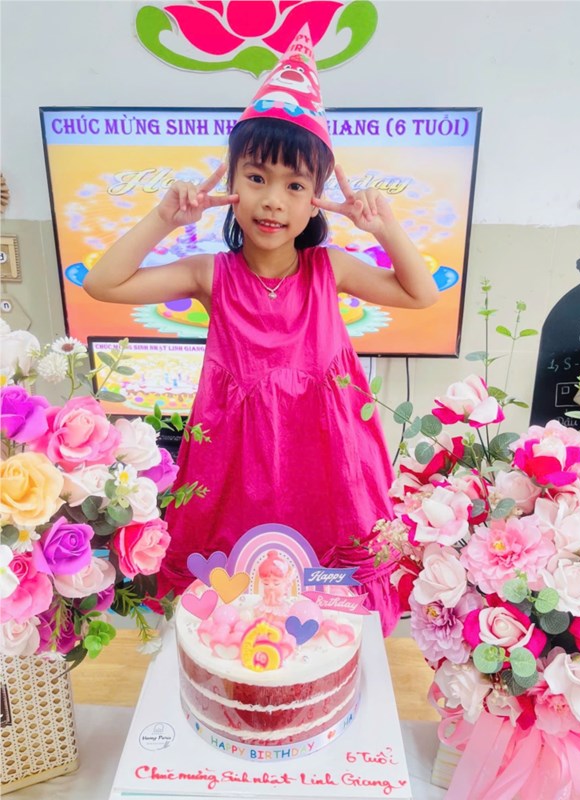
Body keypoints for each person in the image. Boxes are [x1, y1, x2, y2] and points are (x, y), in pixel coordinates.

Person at [83, 26, 438, 635]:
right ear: (232, 184)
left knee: (328, 609)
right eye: (256, 177)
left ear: (317, 199)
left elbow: (421, 294)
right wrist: (163, 217)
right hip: (234, 469)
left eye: (295, 185)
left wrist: (384, 228)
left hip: (328, 465)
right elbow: (103, 283)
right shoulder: (209, 274)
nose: (273, 200)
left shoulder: (330, 269)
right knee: (237, 605)